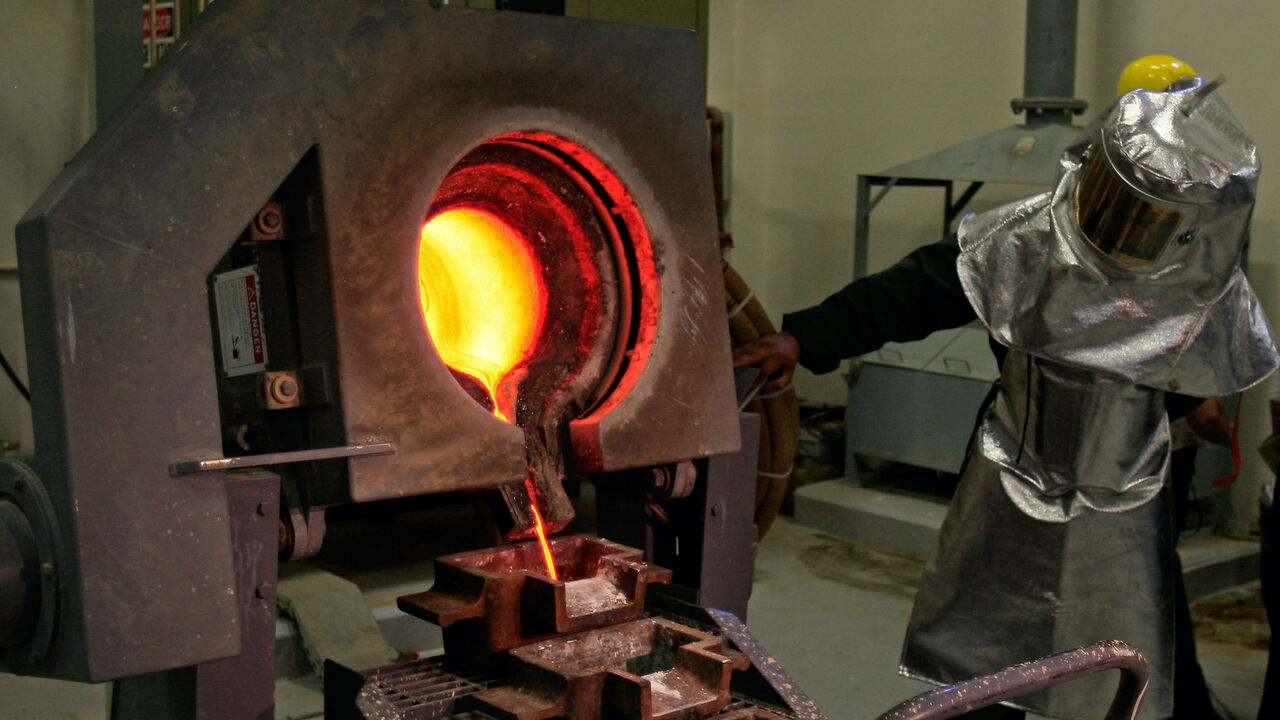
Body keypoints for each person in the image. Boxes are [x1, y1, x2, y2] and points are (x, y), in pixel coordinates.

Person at [735, 66, 1278, 719]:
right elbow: (914, 292)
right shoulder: (1025, 240)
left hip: (1125, 496)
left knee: (1142, 650)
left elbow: (1164, 353)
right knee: (993, 658)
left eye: (1150, 213)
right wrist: (805, 339)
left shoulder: (1189, 278)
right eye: (1123, 200)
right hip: (1013, 480)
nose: (1129, 222)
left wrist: (1198, 406)